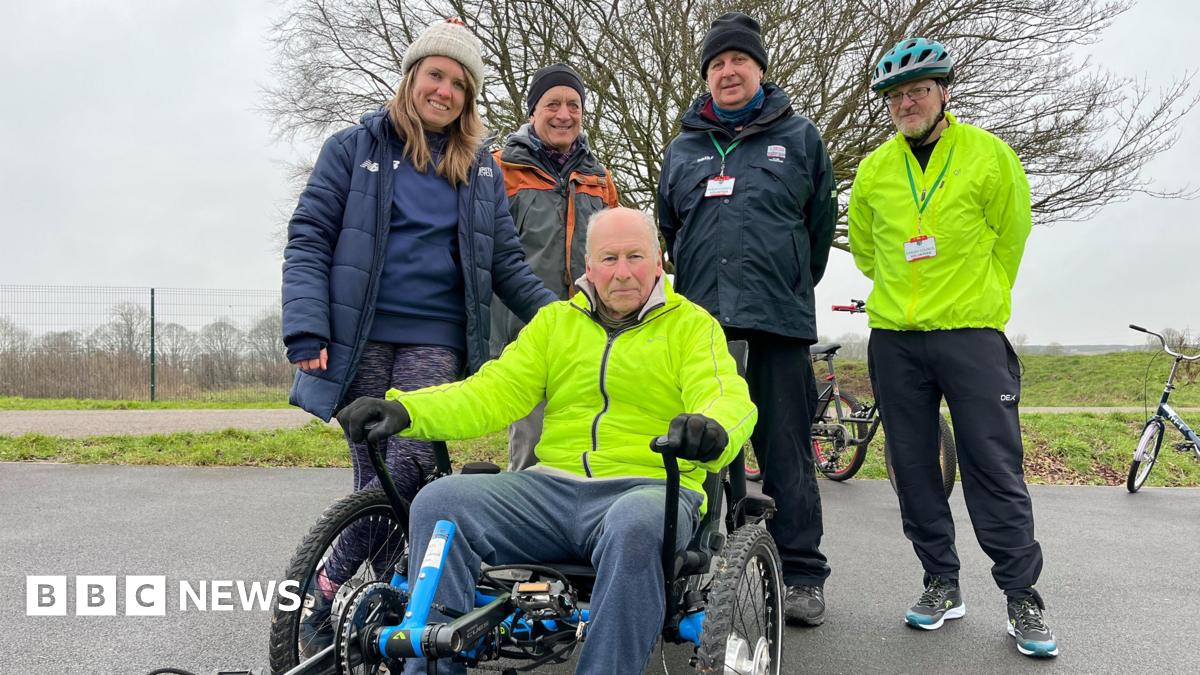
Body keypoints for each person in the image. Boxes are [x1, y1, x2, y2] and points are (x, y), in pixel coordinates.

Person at [339, 207, 757, 675]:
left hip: (648, 487)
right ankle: (432, 668)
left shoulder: (692, 326)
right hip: (551, 488)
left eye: (635, 256)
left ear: (658, 260)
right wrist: (406, 409)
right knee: (441, 500)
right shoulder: (555, 324)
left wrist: (712, 428)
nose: (622, 272)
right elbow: (492, 390)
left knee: (636, 523)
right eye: (609, 258)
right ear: (589, 268)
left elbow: (725, 394)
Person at [280, 17, 556, 652]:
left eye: (461, 83)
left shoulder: (481, 169)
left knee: (407, 470)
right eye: (436, 74)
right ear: (411, 78)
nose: (446, 90)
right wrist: (305, 324)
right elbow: (311, 237)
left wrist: (567, 321)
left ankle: (333, 589)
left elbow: (508, 265)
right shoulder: (353, 148)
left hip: (437, 338)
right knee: (377, 473)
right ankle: (378, 603)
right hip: (361, 339)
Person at [847, 37, 1057, 657]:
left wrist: (976, 294)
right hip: (895, 338)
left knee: (993, 468)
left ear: (943, 94)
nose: (905, 102)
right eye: (895, 95)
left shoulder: (989, 156)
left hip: (970, 334)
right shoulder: (874, 171)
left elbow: (1012, 235)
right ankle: (941, 580)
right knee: (912, 468)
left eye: (917, 90)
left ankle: (1022, 596)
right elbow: (865, 250)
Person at [656, 11, 836, 626]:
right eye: (715, 64)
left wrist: (785, 283)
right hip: (702, 329)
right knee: (705, 450)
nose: (727, 71)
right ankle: (704, 565)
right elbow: (670, 231)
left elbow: (817, 232)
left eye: (738, 60)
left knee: (785, 453)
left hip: (779, 325)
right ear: (706, 77)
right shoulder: (682, 149)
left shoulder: (802, 137)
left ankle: (802, 573)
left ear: (759, 68)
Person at [489, 62, 620, 470]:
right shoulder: (499, 169)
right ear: (532, 112)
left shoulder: (600, 178)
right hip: (525, 333)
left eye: (574, 105)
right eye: (553, 104)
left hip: (591, 334)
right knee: (532, 447)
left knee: (592, 446)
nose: (564, 114)